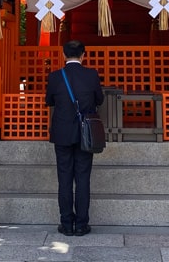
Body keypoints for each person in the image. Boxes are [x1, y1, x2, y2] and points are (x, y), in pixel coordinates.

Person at [45, 39, 104, 236]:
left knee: (64, 179)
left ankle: (66, 223)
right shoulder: (91, 75)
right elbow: (99, 99)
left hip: (62, 133)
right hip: (84, 133)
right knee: (83, 178)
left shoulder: (55, 77)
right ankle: (81, 224)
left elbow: (49, 101)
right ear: (83, 55)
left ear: (63, 55)